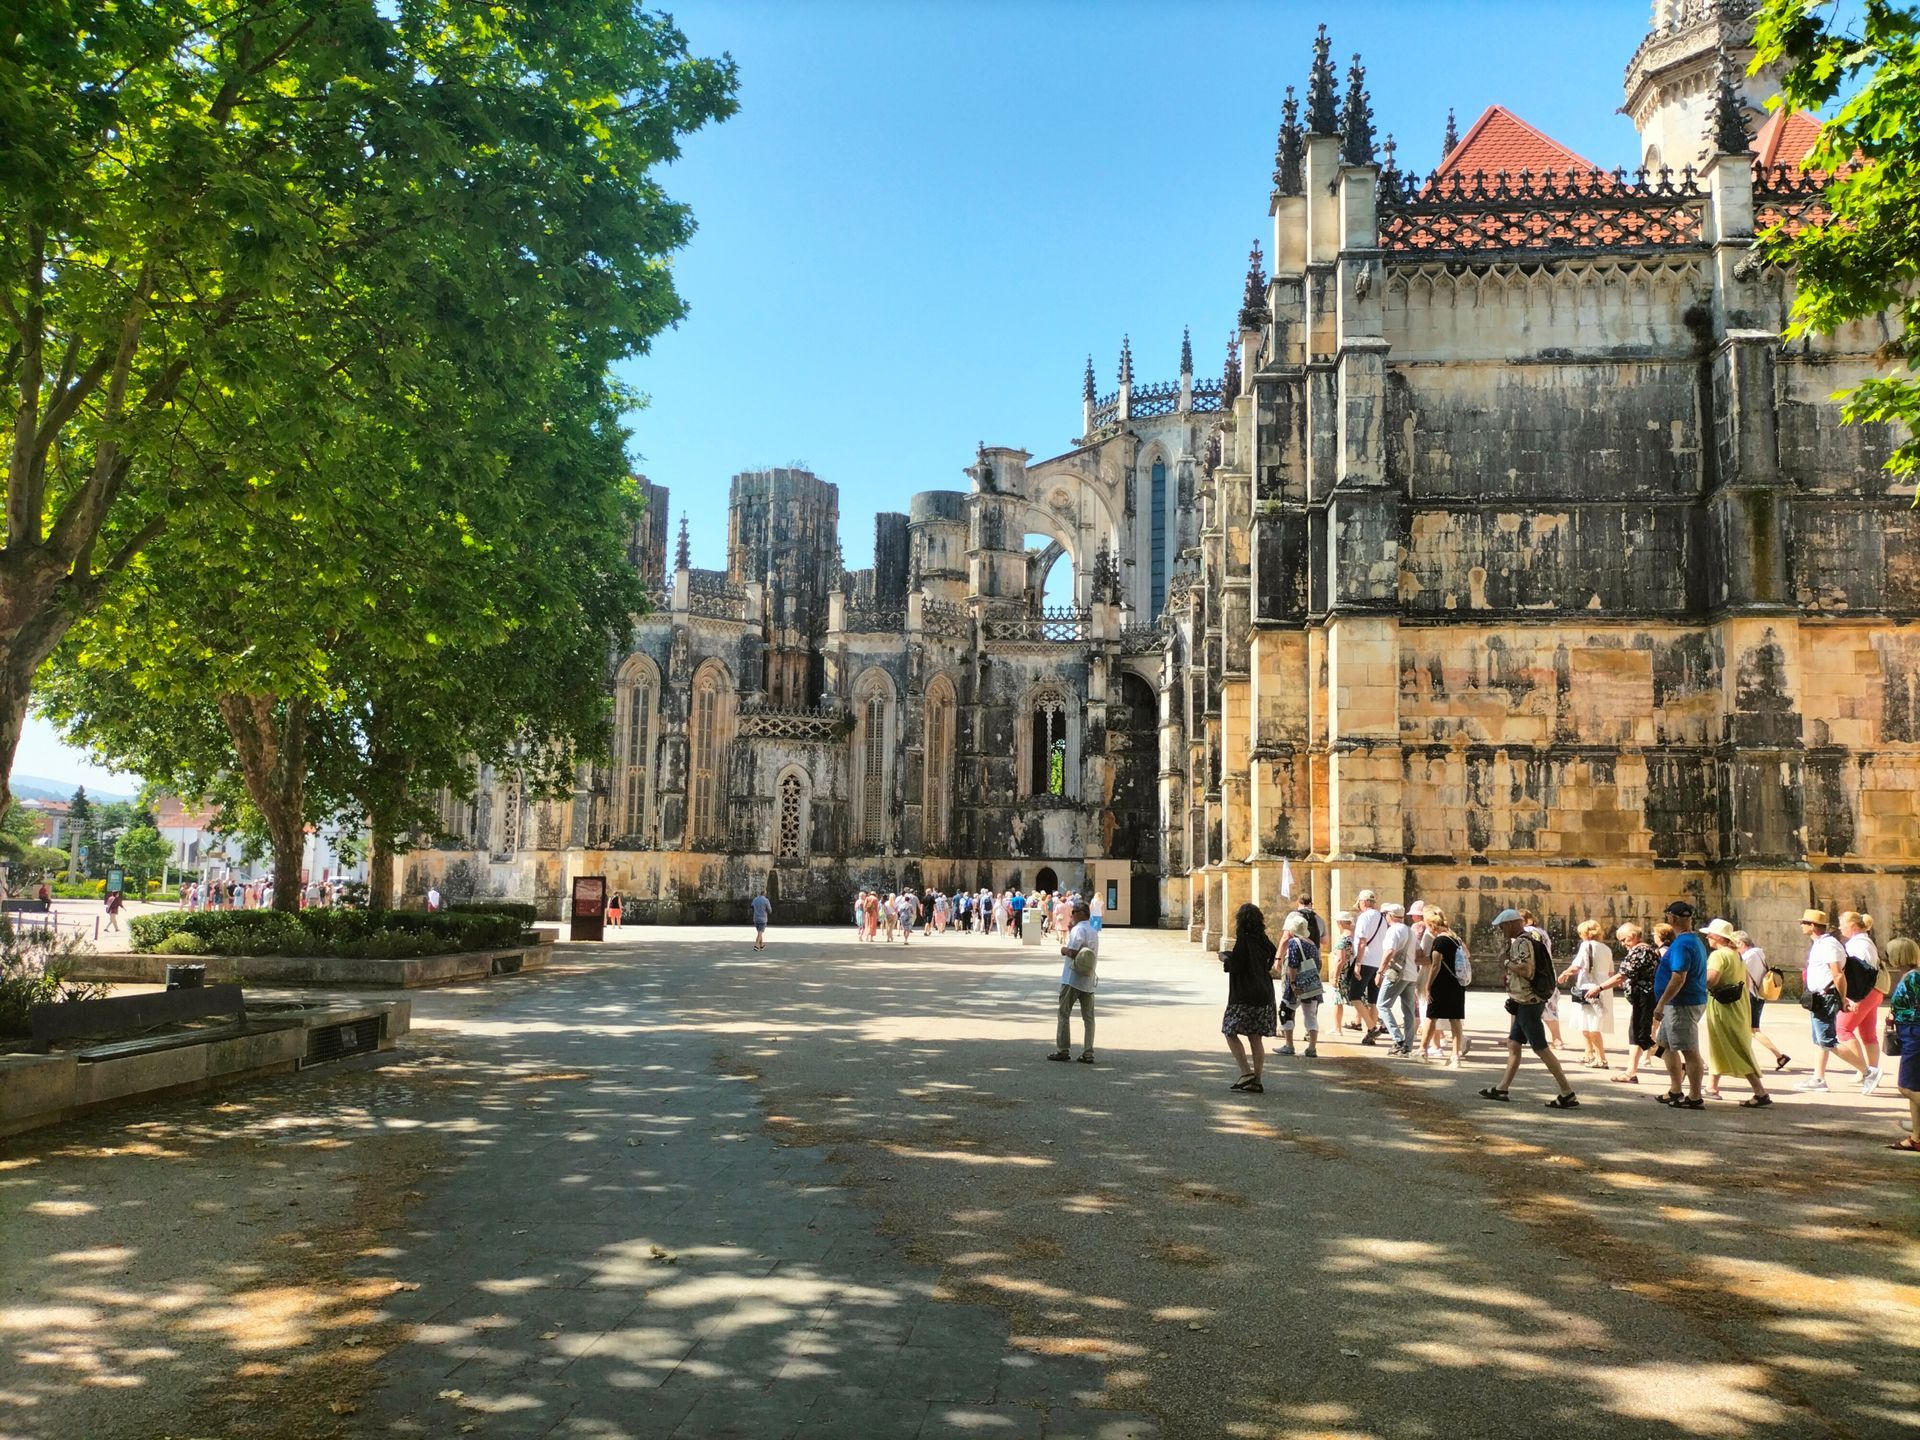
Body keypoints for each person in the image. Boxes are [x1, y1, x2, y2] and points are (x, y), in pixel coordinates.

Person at [1480, 908, 1579, 1108]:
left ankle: (1567, 1092)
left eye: (1502, 927)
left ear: (1510, 924)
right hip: (1524, 1001)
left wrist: (1507, 962)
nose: (1501, 931)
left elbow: (1526, 970)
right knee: (1514, 1044)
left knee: (1540, 1047)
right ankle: (1502, 1087)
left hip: (1528, 1002)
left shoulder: (1521, 943)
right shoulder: (1531, 938)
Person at [1796, 909, 1867, 1092]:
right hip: (1818, 997)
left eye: (1803, 922)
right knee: (1819, 1040)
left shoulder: (1828, 945)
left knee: (1828, 1041)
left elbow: (1838, 974)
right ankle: (1818, 1078)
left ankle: (1867, 1071)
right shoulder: (1821, 944)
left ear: (1812, 926)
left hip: (1826, 997)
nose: (1801, 925)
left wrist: (1843, 998)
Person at [1701, 919, 1771, 1105]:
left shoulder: (1718, 956)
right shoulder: (1736, 955)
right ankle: (1711, 1086)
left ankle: (1760, 1091)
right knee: (1720, 1045)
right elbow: (1746, 983)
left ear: (1717, 937)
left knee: (1734, 1046)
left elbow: (1712, 979)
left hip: (1722, 1006)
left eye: (1709, 934)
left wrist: (1696, 980)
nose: (1707, 937)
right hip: (1737, 1005)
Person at [1649, 900, 1710, 1109]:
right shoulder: (1693, 941)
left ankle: (1695, 1096)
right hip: (1679, 1004)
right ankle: (1675, 1089)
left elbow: (1678, 977)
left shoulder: (1683, 944)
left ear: (1672, 918)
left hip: (1680, 1004)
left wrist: (1661, 1004)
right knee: (1665, 1046)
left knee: (1689, 1050)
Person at [1218, 902, 1278, 1090]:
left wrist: (1226, 958)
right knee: (1255, 1036)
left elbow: (1237, 966)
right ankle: (1257, 1080)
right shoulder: (1263, 939)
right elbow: (1272, 954)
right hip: (1264, 992)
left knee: (1229, 1030)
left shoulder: (1243, 940)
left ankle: (1246, 1072)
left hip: (1245, 993)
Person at [1592, 922, 1659, 1084]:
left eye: (1624, 940)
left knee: (1642, 1037)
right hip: (1642, 997)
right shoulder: (1648, 949)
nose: (1622, 944)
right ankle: (1631, 1071)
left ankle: (1676, 1063)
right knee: (1636, 1036)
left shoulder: (1640, 951)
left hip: (1644, 997)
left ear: (1633, 937)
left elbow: (1622, 975)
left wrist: (1600, 987)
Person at [1837, 911, 1885, 1095]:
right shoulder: (1865, 942)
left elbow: (1859, 975)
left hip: (1863, 993)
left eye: (1842, 924)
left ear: (1853, 926)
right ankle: (1869, 1070)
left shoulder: (1858, 945)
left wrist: (1852, 997)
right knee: (1868, 1034)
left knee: (1843, 1030)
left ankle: (1866, 1071)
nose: (1840, 928)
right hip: (1873, 992)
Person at [1048, 901, 1099, 1065]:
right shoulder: (1093, 931)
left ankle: (1063, 1049)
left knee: (1064, 1014)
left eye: (1074, 912)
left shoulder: (1079, 929)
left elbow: (1073, 952)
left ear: (1081, 913)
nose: (1071, 915)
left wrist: (1063, 949)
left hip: (1072, 978)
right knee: (1088, 1018)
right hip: (1088, 978)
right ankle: (1088, 1051)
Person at [1418, 907, 1468, 1068]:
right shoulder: (1456, 939)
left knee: (1432, 1016)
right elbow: (1467, 955)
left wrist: (1428, 985)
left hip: (1441, 984)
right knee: (1455, 1019)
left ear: (1432, 926)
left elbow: (1435, 965)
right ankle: (1455, 1055)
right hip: (1458, 982)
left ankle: (1422, 1050)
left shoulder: (1439, 941)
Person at [1735, 930, 1790, 1072]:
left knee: (1753, 1030)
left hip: (1751, 996)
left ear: (1741, 943)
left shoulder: (1748, 956)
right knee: (1750, 1030)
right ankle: (1774, 1056)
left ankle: (1779, 1055)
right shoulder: (1759, 954)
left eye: (1734, 943)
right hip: (1758, 995)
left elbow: (1741, 975)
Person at [1559, 919, 1611, 1068]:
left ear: (1585, 933)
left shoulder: (1586, 945)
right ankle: (1589, 1053)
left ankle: (1601, 1058)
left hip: (1588, 986)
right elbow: (1611, 971)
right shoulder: (1606, 949)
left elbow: (1576, 966)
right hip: (1602, 985)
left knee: (1591, 1023)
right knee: (1588, 1022)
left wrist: (1564, 974)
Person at [1885, 936, 1920, 1152]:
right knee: (1915, 1087)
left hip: (1914, 1034)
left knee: (1906, 1087)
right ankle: (1916, 1137)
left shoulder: (1912, 978)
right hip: (1910, 1032)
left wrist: (1897, 1014)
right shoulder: (1910, 976)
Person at [1375, 903, 1417, 1057]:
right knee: (1408, 1011)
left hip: (1397, 973)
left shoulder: (1393, 930)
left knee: (1383, 1005)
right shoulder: (1409, 930)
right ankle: (1408, 1044)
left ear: (1390, 915)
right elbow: (1418, 953)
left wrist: (1380, 971)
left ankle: (1398, 1040)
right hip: (1411, 974)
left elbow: (1389, 952)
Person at [1521, 910, 1565, 1051]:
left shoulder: (1526, 932)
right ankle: (1557, 1038)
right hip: (1547, 972)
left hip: (1531, 973)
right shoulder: (1542, 932)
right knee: (1549, 1006)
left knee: (1521, 1005)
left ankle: (1517, 1038)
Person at [1351, 891, 1386, 1043]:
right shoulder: (1382, 918)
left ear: (1363, 902)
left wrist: (1358, 963)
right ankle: (1370, 1037)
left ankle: (1372, 1028)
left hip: (1366, 961)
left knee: (1354, 996)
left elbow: (1362, 942)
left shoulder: (1364, 917)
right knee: (1373, 1000)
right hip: (1378, 962)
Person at [1328, 910, 1356, 1038]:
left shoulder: (1342, 939)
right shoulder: (1354, 937)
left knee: (1337, 1000)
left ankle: (1337, 1028)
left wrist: (1335, 975)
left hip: (1343, 973)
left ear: (1340, 923)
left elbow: (1340, 959)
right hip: (1352, 970)